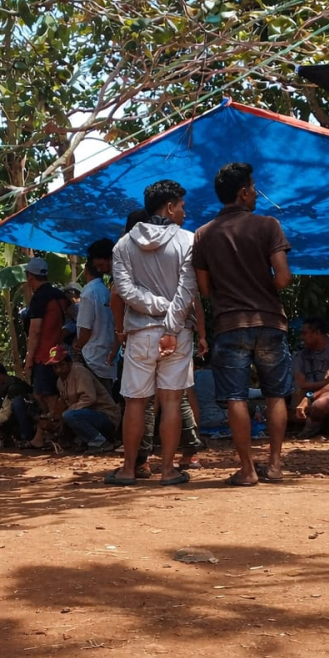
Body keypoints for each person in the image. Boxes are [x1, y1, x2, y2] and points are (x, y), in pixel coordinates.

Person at [193, 162, 293, 484]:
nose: (256, 194)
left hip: (229, 323)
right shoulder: (268, 225)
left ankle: (247, 470)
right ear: (243, 192)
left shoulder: (203, 234)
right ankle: (274, 465)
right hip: (269, 320)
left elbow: (204, 289)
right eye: (253, 188)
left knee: (235, 397)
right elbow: (284, 278)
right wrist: (262, 288)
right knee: (275, 394)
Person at [105, 179, 197, 487]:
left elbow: (125, 291)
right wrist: (170, 320)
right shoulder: (188, 241)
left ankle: (128, 469)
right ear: (169, 207)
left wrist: (157, 308)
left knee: (135, 402)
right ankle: (168, 470)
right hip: (177, 333)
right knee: (171, 401)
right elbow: (188, 290)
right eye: (181, 206)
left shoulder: (122, 245)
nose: (184, 212)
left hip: (140, 332)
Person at [21, 257, 69, 447]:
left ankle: (51, 434)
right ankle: (42, 435)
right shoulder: (59, 295)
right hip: (60, 352)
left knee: (46, 396)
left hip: (44, 355)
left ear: (30, 276)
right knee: (48, 394)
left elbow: (35, 331)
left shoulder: (40, 298)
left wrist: (29, 359)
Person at [46, 345, 121, 451]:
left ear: (69, 362)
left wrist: (65, 413)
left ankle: (101, 443)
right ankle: (86, 441)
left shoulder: (79, 371)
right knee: (65, 416)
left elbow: (89, 398)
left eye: (61, 364)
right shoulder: (60, 382)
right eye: (54, 366)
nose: (58, 369)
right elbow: (64, 402)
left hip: (106, 416)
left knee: (69, 415)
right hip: (88, 416)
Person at [292, 317, 329, 436]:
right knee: (272, 411)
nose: (301, 337)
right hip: (306, 394)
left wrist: (310, 393)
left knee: (321, 404)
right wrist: (325, 383)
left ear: (317, 333)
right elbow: (301, 383)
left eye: (304, 333)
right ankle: (315, 420)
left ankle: (312, 421)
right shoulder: (301, 353)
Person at [74, 239, 117, 393]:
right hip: (107, 355)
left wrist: (78, 347)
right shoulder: (106, 290)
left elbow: (85, 328)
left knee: (93, 397)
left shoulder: (88, 293)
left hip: (92, 357)